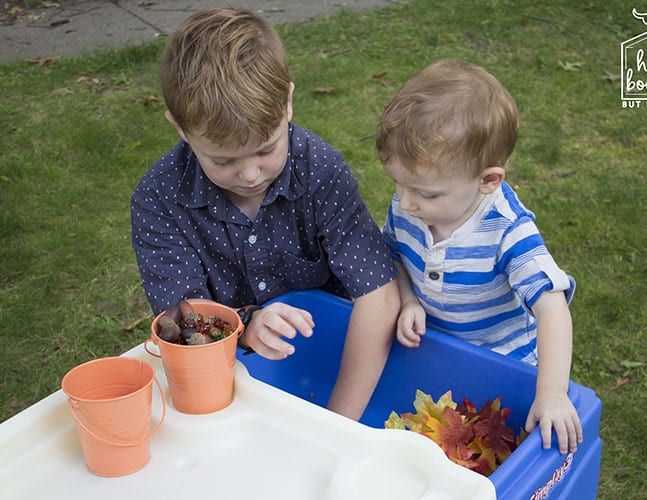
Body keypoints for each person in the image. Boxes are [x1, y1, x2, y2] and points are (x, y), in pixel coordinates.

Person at [131, 8, 399, 421]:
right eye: (223, 161)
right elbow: (180, 315)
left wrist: (338, 424)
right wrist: (244, 325)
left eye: (266, 148)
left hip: (336, 365)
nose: (250, 174)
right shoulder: (159, 197)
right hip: (227, 384)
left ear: (288, 103)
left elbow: (378, 296)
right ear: (180, 129)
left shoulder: (319, 169)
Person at [376, 59, 583, 454]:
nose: (405, 202)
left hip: (505, 366)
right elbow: (393, 254)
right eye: (398, 184)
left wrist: (553, 394)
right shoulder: (409, 206)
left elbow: (553, 309)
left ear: (488, 181)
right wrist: (407, 300)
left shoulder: (507, 230)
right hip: (435, 353)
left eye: (426, 193)